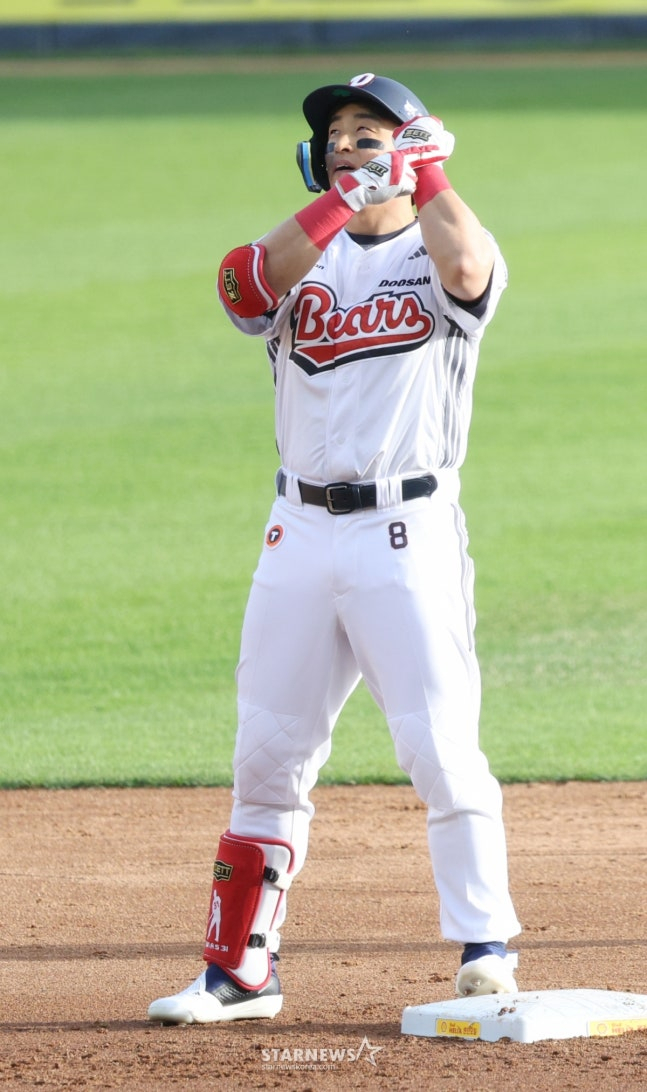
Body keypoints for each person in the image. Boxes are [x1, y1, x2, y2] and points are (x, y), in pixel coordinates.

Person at [148, 72, 521, 1025]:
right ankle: (239, 973)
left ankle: (485, 949)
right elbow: (241, 284)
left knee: (438, 746)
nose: (352, 145)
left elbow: (469, 270)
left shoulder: (443, 246)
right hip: (298, 534)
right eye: (339, 135)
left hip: (409, 534)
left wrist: (426, 177)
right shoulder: (302, 257)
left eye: (372, 132)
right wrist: (335, 202)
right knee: (267, 758)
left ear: (413, 145)